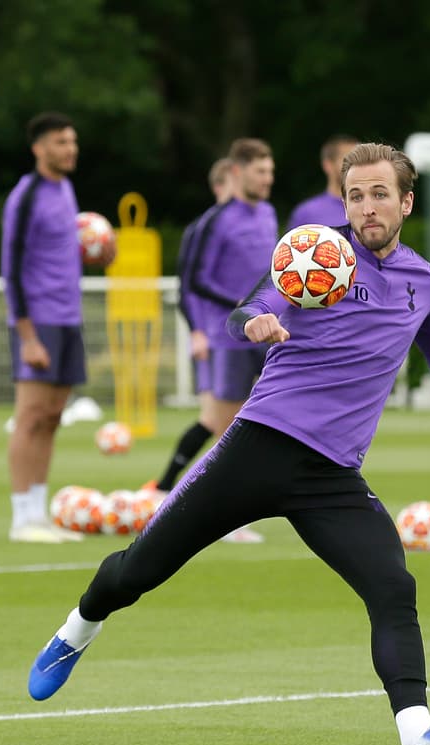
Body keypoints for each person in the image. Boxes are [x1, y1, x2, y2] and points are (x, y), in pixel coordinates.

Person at [27, 141, 430, 745]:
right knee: (142, 568)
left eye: (380, 193)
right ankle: (78, 628)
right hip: (258, 447)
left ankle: (419, 737)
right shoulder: (316, 252)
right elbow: (252, 304)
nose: (366, 206)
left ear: (407, 202)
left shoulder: (424, 282)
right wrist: (255, 325)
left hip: (332, 476)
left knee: (393, 586)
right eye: (355, 194)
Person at [1, 112, 114, 543]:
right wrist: (26, 335)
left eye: (72, 142)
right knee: (30, 417)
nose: (70, 150)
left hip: (69, 318)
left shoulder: (65, 189)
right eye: (61, 143)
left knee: (52, 418)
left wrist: (97, 255)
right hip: (39, 320)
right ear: (39, 148)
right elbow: (11, 269)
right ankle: (21, 518)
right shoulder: (25, 196)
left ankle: (38, 513)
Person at [176, 138, 279, 543]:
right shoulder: (215, 221)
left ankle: (229, 513)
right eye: (259, 171)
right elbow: (194, 279)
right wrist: (236, 303)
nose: (267, 179)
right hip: (229, 338)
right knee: (226, 432)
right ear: (237, 172)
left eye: (270, 172)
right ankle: (203, 513)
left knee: (263, 427)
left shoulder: (268, 214)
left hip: (266, 335)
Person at [145, 158, 233, 501]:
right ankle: (171, 487)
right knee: (217, 420)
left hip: (238, 336)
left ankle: (168, 486)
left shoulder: (248, 224)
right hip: (214, 337)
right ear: (218, 188)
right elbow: (187, 287)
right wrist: (198, 331)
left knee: (221, 421)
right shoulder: (203, 228)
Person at [287, 134, 361, 229]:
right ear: (328, 165)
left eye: (360, 160)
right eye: (348, 160)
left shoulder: (372, 208)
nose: (356, 166)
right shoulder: (307, 214)